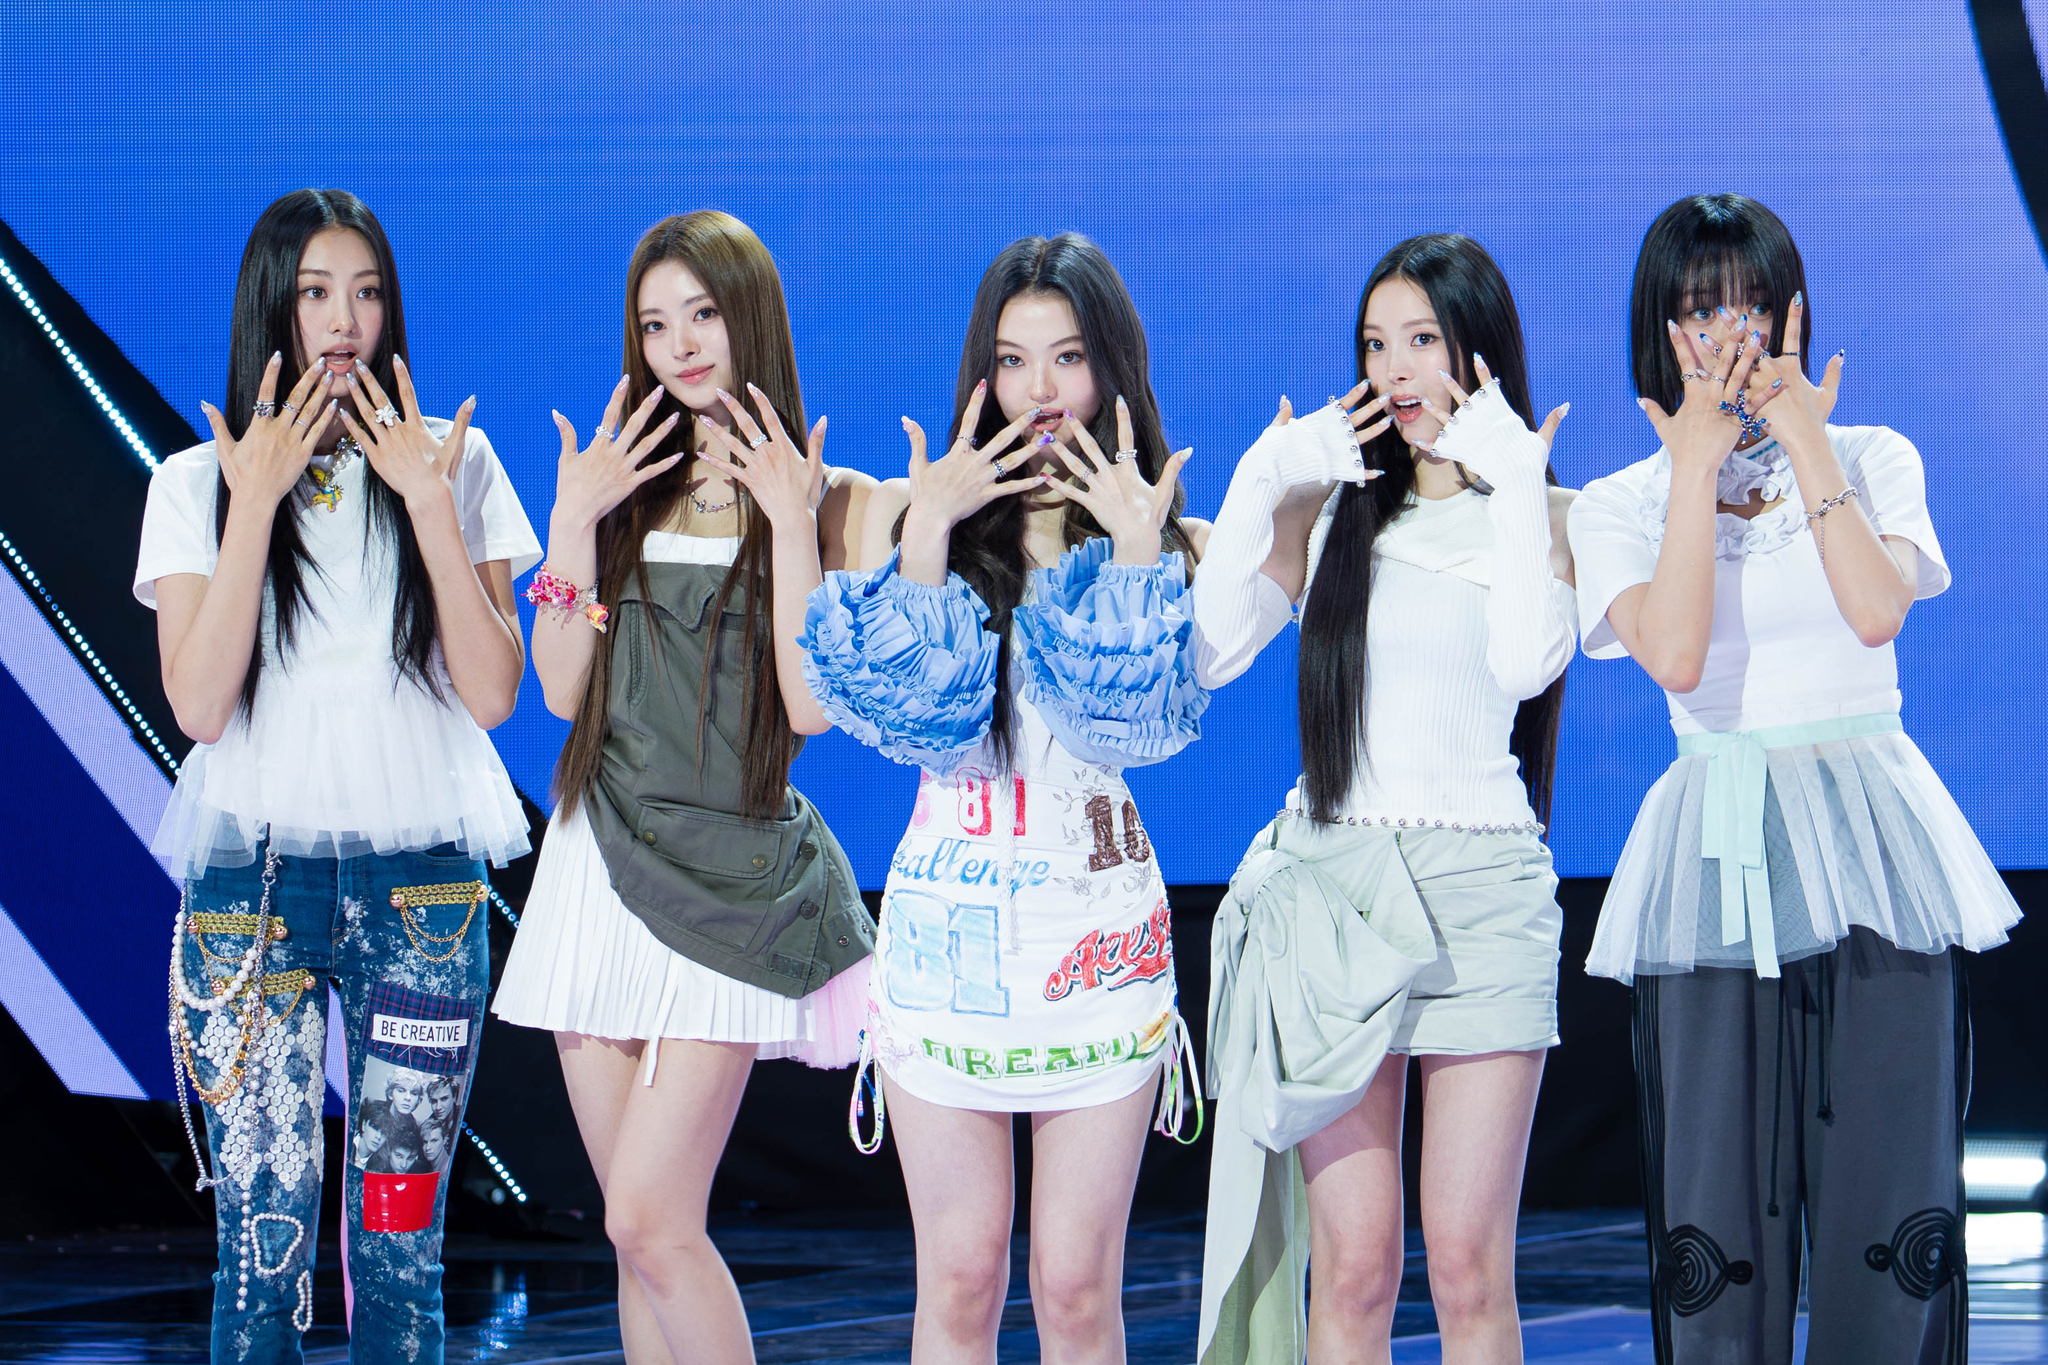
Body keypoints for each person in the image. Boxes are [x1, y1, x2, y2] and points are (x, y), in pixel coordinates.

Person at [1568, 193, 2020, 1364]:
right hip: (1716, 850)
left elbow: (1875, 614)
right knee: (1718, 1208)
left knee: (1889, 1195)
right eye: (1695, 309)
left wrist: (1806, 441)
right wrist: (1692, 471)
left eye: (1749, 303)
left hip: (1871, 840)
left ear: (1789, 313)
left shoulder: (1871, 455)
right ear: (1656, 334)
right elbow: (1669, 654)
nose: (1727, 334)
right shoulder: (1620, 502)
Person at [141, 188, 539, 1363]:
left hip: (421, 881)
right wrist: (253, 498)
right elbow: (201, 704)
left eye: (366, 291)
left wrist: (423, 498)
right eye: (315, 291)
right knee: (261, 1248)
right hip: (251, 889)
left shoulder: (457, 467)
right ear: (272, 303)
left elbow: (494, 693)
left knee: (399, 1252)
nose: (344, 319)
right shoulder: (189, 483)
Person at [798, 232, 1210, 1363]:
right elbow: (900, 726)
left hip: (1096, 947)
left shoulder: (1169, 538)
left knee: (1075, 1289)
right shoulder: (906, 516)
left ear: (1109, 372)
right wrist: (926, 538)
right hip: (946, 950)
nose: (1040, 391)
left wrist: (1133, 557)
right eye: (1013, 360)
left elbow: (1128, 732)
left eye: (1067, 359)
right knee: (962, 1279)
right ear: (980, 375)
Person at [490, 210, 878, 1365]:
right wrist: (570, 519)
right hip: (598, 866)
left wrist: (793, 522)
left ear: (746, 313)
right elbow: (560, 690)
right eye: (654, 325)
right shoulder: (622, 480)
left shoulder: (822, 490)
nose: (678, 345)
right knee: (638, 1242)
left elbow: (808, 707)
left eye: (700, 314)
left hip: (733, 883)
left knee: (648, 1217)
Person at [1191, 233, 1576, 1364]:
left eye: (1421, 340)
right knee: (1353, 1266)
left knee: (1465, 1265)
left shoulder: (1546, 514)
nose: (1396, 369)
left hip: (1483, 898)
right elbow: (1212, 654)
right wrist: (1265, 478)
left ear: (1479, 353)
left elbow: (1521, 666)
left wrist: (1510, 478)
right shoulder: (1336, 517)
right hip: (1335, 900)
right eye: (1375, 344)